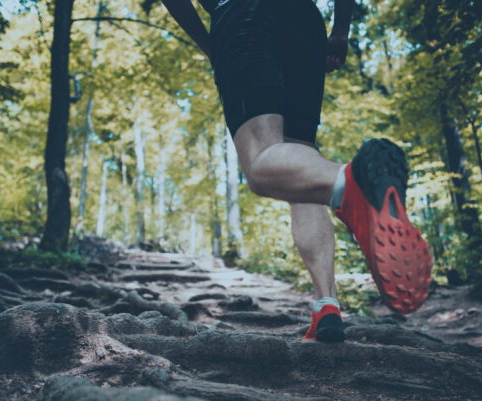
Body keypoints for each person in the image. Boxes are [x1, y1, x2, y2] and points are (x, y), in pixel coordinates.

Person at [160, 0, 433, 342]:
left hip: (243, 17)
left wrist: (211, 44)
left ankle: (350, 183)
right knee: (300, 167)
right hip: (304, 21)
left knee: (261, 164)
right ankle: (326, 306)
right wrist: (340, 32)